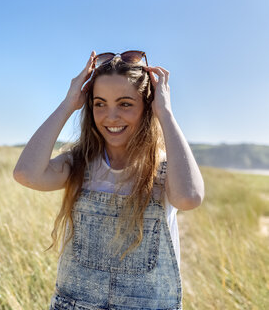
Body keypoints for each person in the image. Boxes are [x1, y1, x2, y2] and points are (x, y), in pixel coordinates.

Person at [13, 50, 205, 310]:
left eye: (125, 103)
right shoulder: (80, 162)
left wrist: (166, 114)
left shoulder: (164, 169)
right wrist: (69, 102)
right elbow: (26, 174)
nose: (110, 116)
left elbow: (189, 197)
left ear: (148, 107)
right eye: (100, 103)